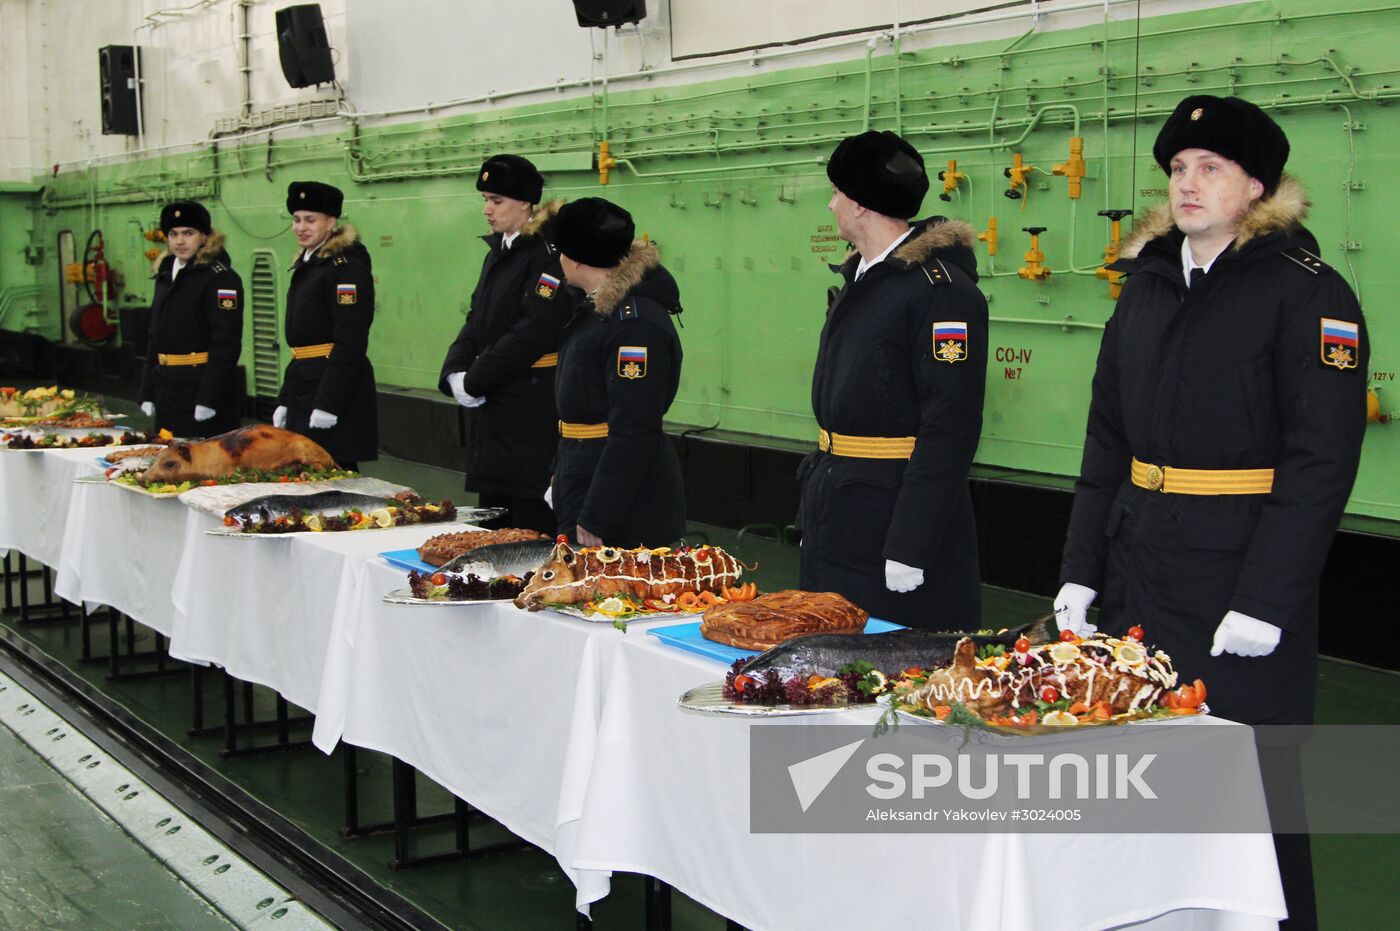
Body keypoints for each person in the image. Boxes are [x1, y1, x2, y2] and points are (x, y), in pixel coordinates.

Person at [1055, 95, 1369, 930]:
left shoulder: (1307, 293)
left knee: (1256, 797)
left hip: (1237, 580)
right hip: (1139, 571)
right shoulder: (1147, 286)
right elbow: (1105, 440)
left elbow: (1320, 462)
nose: (1187, 184)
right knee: (1140, 772)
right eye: (1178, 169)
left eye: (1211, 169)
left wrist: (1268, 598)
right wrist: (1080, 571)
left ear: (1256, 186)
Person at [797, 130, 988, 630]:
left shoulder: (939, 293)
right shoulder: (863, 277)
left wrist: (911, 542)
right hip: (840, 512)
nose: (832, 203)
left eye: (838, 192)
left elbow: (951, 424)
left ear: (860, 204)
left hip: (889, 523)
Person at [438, 155, 570, 534]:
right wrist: (454, 374)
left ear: (525, 202)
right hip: (497, 408)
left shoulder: (546, 256)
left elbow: (533, 331)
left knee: (529, 526)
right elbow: (475, 319)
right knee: (494, 523)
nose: (486, 210)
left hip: (531, 410)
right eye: (485, 199)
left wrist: (476, 379)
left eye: (496, 200)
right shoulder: (500, 252)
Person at [550, 197, 685, 548]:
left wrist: (598, 515)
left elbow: (634, 428)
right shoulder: (598, 311)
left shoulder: (634, 326)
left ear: (576, 259)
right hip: (584, 471)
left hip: (625, 506)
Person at [273, 181, 378, 470]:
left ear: (331, 222)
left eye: (310, 220)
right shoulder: (310, 264)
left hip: (333, 386)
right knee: (305, 474)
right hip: (305, 385)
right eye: (296, 219)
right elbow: (301, 348)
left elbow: (350, 339)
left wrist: (328, 403)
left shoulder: (345, 267)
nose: (300, 227)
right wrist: (286, 398)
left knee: (335, 474)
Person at [137, 201, 243, 437]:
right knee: (169, 462)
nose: (180, 241)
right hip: (167, 389)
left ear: (204, 236)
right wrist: (147, 391)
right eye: (173, 234)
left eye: (188, 233)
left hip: (200, 390)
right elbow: (155, 339)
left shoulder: (220, 278)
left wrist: (209, 399)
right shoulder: (165, 276)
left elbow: (226, 343)